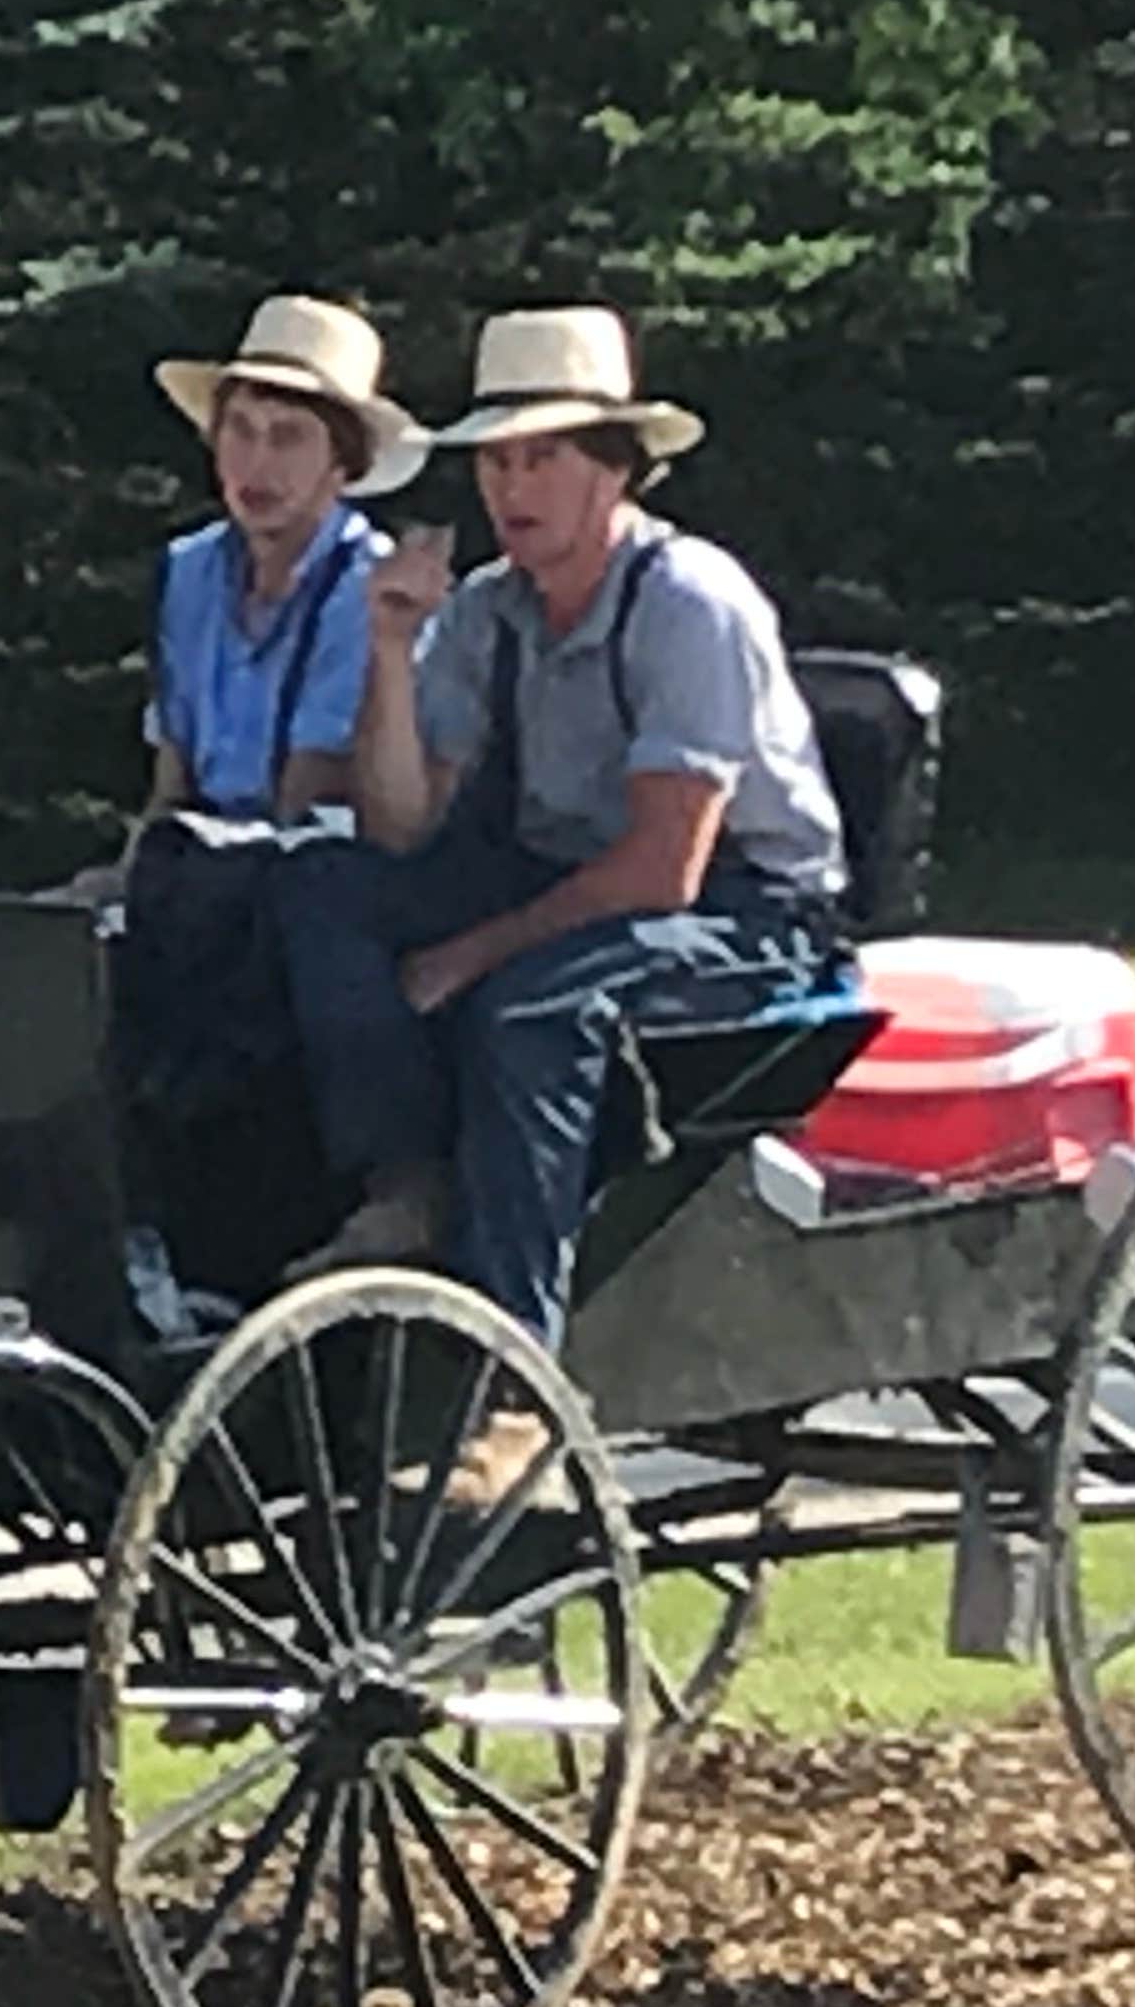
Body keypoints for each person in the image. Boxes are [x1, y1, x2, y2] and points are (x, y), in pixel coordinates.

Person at [272, 304, 848, 1354]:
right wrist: (391, 652)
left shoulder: (689, 602)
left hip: (746, 915)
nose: (511, 490)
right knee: (320, 887)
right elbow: (401, 828)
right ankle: (404, 1187)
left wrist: (465, 955)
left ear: (614, 470)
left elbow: (664, 869)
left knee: (530, 1012)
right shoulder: (491, 612)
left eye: (543, 461)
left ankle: (511, 1359)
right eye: (497, 464)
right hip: (565, 880)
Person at [105, 299, 424, 1161]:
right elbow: (172, 775)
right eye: (239, 432)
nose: (258, 463)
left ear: (341, 467)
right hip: (194, 856)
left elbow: (310, 786)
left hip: (306, 866)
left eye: (288, 439)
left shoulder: (369, 586)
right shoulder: (188, 571)